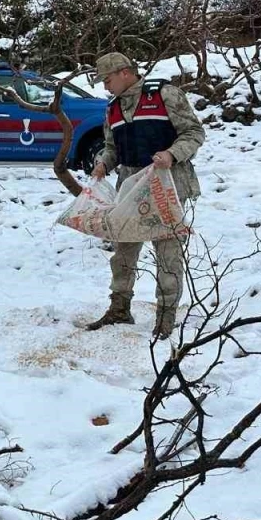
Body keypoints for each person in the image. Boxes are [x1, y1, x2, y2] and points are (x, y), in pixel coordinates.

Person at [85, 52, 205, 339]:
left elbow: (194, 133)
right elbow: (113, 146)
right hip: (130, 187)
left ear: (125, 72)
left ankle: (165, 318)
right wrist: (104, 162)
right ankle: (119, 308)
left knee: (168, 253)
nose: (105, 86)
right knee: (123, 250)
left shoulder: (165, 95)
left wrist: (171, 153)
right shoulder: (112, 108)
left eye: (108, 79)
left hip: (168, 184)